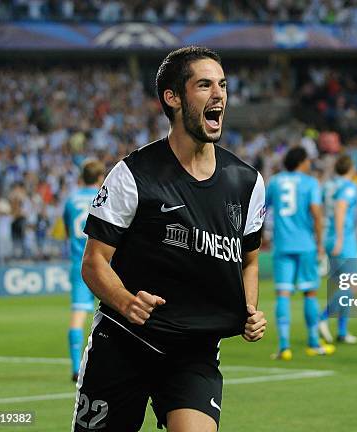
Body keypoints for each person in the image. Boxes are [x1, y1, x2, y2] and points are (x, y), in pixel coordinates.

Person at [72, 46, 267, 432]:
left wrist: (248, 309)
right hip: (125, 343)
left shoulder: (247, 183)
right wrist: (127, 302)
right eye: (204, 85)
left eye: (223, 85)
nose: (219, 95)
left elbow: (249, 260)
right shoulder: (133, 175)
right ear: (173, 98)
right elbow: (94, 262)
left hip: (194, 351)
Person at [266, 146, 334, 360]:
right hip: (305, 245)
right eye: (307, 161)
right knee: (310, 293)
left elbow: (261, 208)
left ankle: (284, 346)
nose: (309, 164)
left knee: (283, 294)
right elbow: (316, 212)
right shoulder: (310, 183)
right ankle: (313, 343)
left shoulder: (275, 182)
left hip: (283, 244)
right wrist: (320, 242)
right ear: (301, 162)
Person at [63, 159, 105, 382]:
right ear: (100, 178)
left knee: (77, 317)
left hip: (78, 265)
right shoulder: (104, 196)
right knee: (114, 314)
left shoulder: (70, 200)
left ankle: (74, 368)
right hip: (103, 264)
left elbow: (68, 231)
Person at [318, 154, 357, 344]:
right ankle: (322, 317)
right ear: (351, 169)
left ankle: (342, 331)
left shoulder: (327, 185)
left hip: (327, 236)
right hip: (342, 239)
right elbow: (341, 208)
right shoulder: (349, 187)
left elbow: (318, 209)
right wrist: (341, 238)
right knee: (352, 286)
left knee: (343, 286)